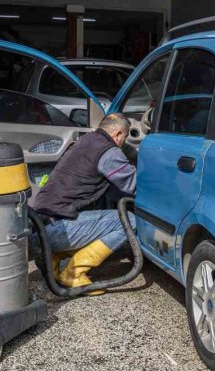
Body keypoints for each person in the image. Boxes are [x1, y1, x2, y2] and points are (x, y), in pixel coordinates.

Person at [30, 113, 137, 294]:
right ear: (118, 134)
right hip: (56, 230)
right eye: (124, 139)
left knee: (102, 215)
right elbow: (133, 184)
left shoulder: (83, 142)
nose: (123, 144)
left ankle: (53, 259)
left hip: (39, 226)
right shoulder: (109, 151)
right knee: (129, 221)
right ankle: (74, 272)